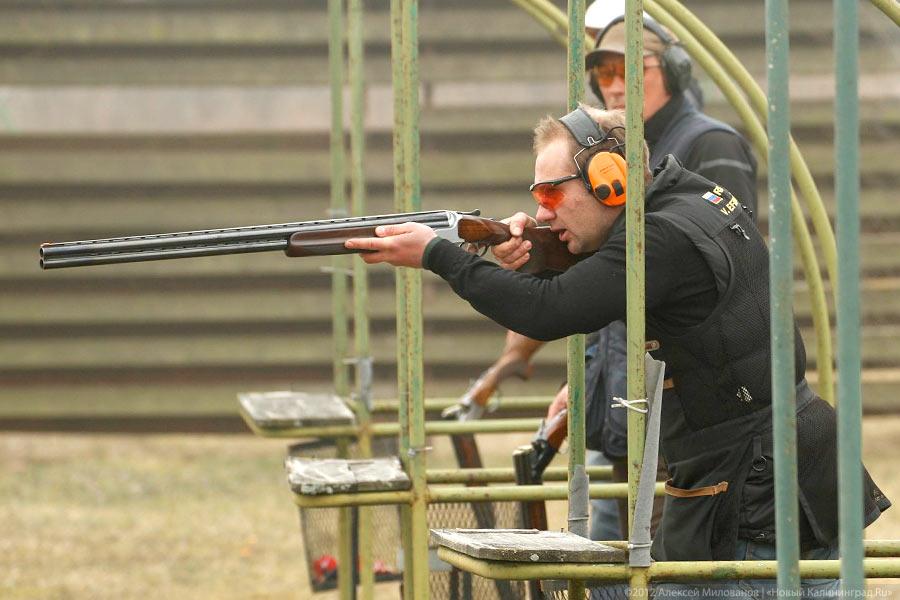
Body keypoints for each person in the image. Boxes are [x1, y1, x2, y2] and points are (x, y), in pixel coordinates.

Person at [345, 106, 891, 597]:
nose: (543, 212)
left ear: (610, 181)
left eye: (551, 194)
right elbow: (603, 277)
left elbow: (548, 312)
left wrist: (439, 255)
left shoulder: (662, 238)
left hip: (752, 495)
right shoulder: (689, 198)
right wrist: (533, 253)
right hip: (788, 473)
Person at [462, 14, 762, 545]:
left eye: (631, 68)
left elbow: (694, 278)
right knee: (612, 547)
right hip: (627, 399)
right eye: (603, 73)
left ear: (675, 70)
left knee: (644, 556)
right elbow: (614, 277)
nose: (616, 84)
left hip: (678, 413)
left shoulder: (709, 143)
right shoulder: (610, 152)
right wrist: (585, 379)